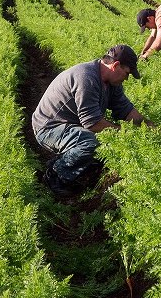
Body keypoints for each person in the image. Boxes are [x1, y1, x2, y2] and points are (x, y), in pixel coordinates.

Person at [32, 44, 149, 197]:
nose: (126, 79)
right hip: (48, 128)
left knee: (98, 144)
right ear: (115, 65)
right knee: (90, 142)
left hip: (70, 125)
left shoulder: (112, 83)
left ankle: (76, 165)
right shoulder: (86, 77)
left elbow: (126, 110)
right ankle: (55, 174)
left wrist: (150, 127)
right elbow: (92, 123)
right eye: (127, 73)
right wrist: (125, 133)